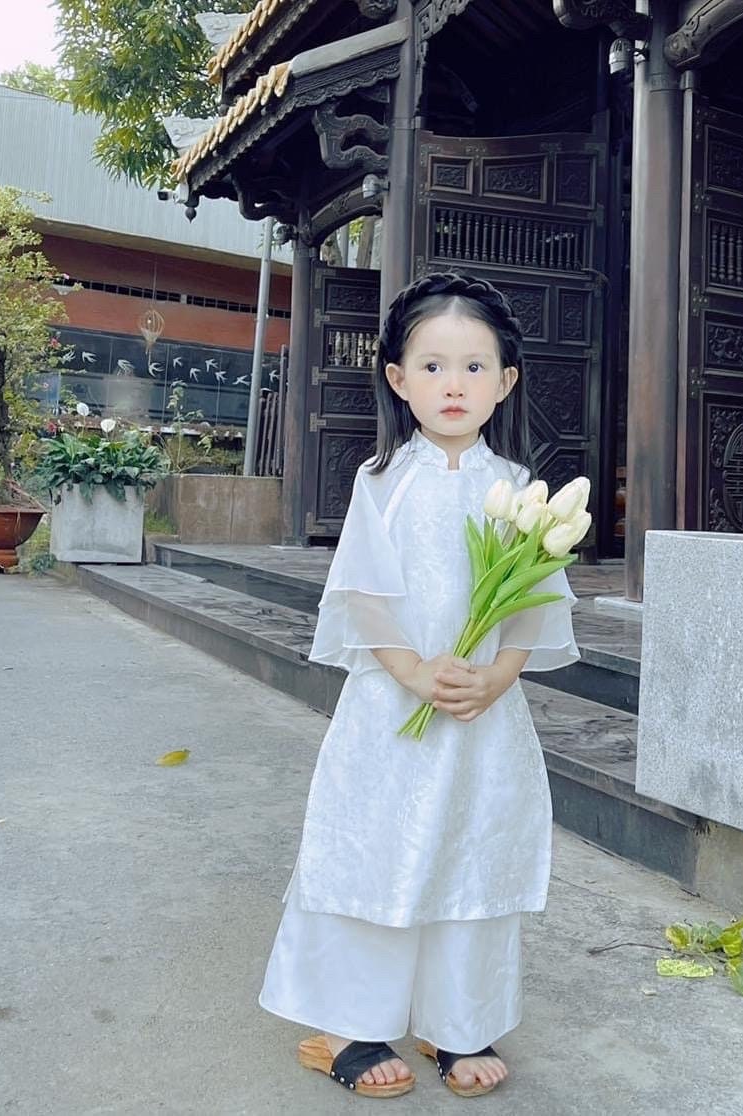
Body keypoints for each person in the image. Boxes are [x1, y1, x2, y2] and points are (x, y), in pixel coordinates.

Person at [259, 271, 579, 1098]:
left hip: (480, 718)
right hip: (393, 708)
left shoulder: (520, 493)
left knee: (470, 859)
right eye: (432, 366)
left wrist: (497, 680)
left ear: (506, 382)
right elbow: (362, 598)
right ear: (397, 379)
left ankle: (457, 1026)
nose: (453, 385)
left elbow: (534, 608)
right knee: (380, 852)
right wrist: (411, 671)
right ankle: (349, 1027)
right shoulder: (383, 484)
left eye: (475, 367)